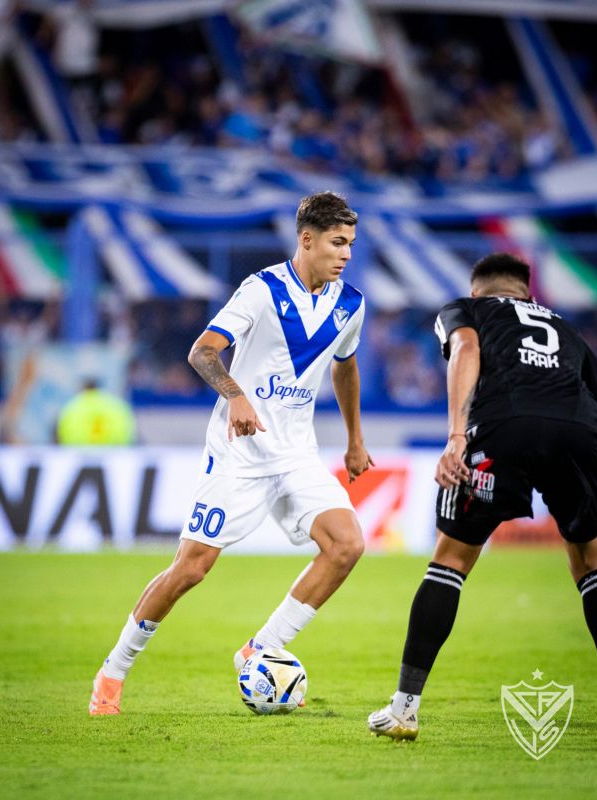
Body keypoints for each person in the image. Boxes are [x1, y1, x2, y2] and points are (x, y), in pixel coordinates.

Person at [90, 191, 373, 715]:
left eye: (351, 244)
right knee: (190, 569)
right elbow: (202, 352)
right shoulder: (261, 290)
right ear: (306, 240)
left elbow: (346, 366)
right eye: (338, 243)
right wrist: (236, 395)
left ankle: (260, 649)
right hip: (238, 454)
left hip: (296, 454)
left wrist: (355, 439)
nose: (346, 254)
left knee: (347, 545)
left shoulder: (351, 303)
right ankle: (112, 672)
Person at [368, 252, 597, 741]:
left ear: (476, 291)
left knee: (451, 560)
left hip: (503, 427)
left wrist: (457, 436)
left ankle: (404, 709)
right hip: (578, 434)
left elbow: (465, 348)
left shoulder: (466, 309)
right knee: (594, 563)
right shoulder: (564, 327)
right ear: (528, 294)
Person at [57, 379, 136, 446]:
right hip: (114, 454)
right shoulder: (116, 405)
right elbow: (130, 432)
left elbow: (59, 433)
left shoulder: (73, 405)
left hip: (77, 454)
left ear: (83, 388)